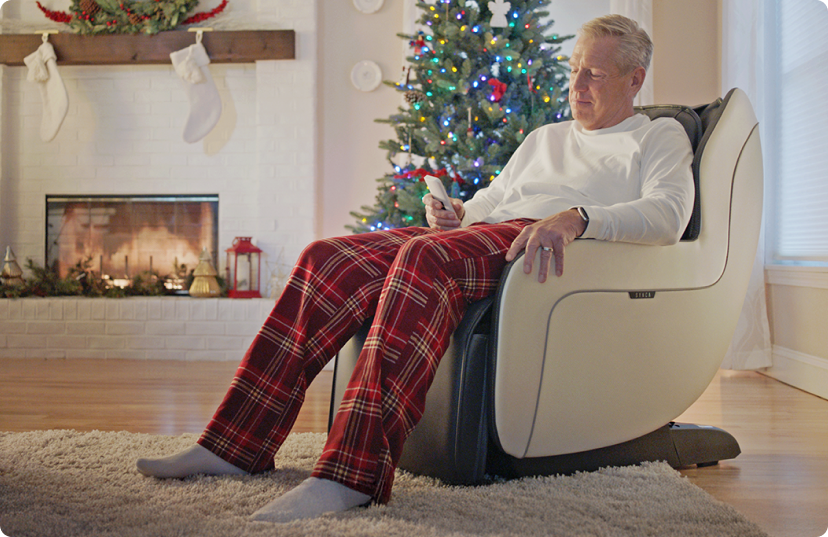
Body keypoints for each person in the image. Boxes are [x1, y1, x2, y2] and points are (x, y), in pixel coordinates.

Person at [136, 14, 694, 523]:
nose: (576, 87)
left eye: (593, 74)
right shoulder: (544, 138)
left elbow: (669, 214)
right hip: (486, 234)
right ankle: (234, 444)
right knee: (326, 258)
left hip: (544, 249)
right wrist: (456, 214)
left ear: (634, 79)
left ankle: (351, 476)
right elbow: (491, 202)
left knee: (421, 257)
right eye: (574, 71)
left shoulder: (656, 136)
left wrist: (577, 217)